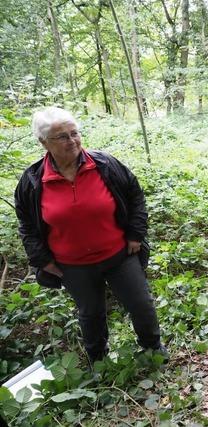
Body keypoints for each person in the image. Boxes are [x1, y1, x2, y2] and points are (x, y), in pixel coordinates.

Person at [14, 107, 166, 364]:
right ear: (43, 142)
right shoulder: (32, 181)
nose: (71, 141)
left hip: (119, 255)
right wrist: (43, 260)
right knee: (91, 313)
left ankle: (152, 348)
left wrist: (135, 235)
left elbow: (135, 196)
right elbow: (27, 225)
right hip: (72, 266)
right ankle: (98, 360)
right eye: (62, 137)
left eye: (74, 133)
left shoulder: (105, 165)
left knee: (141, 304)